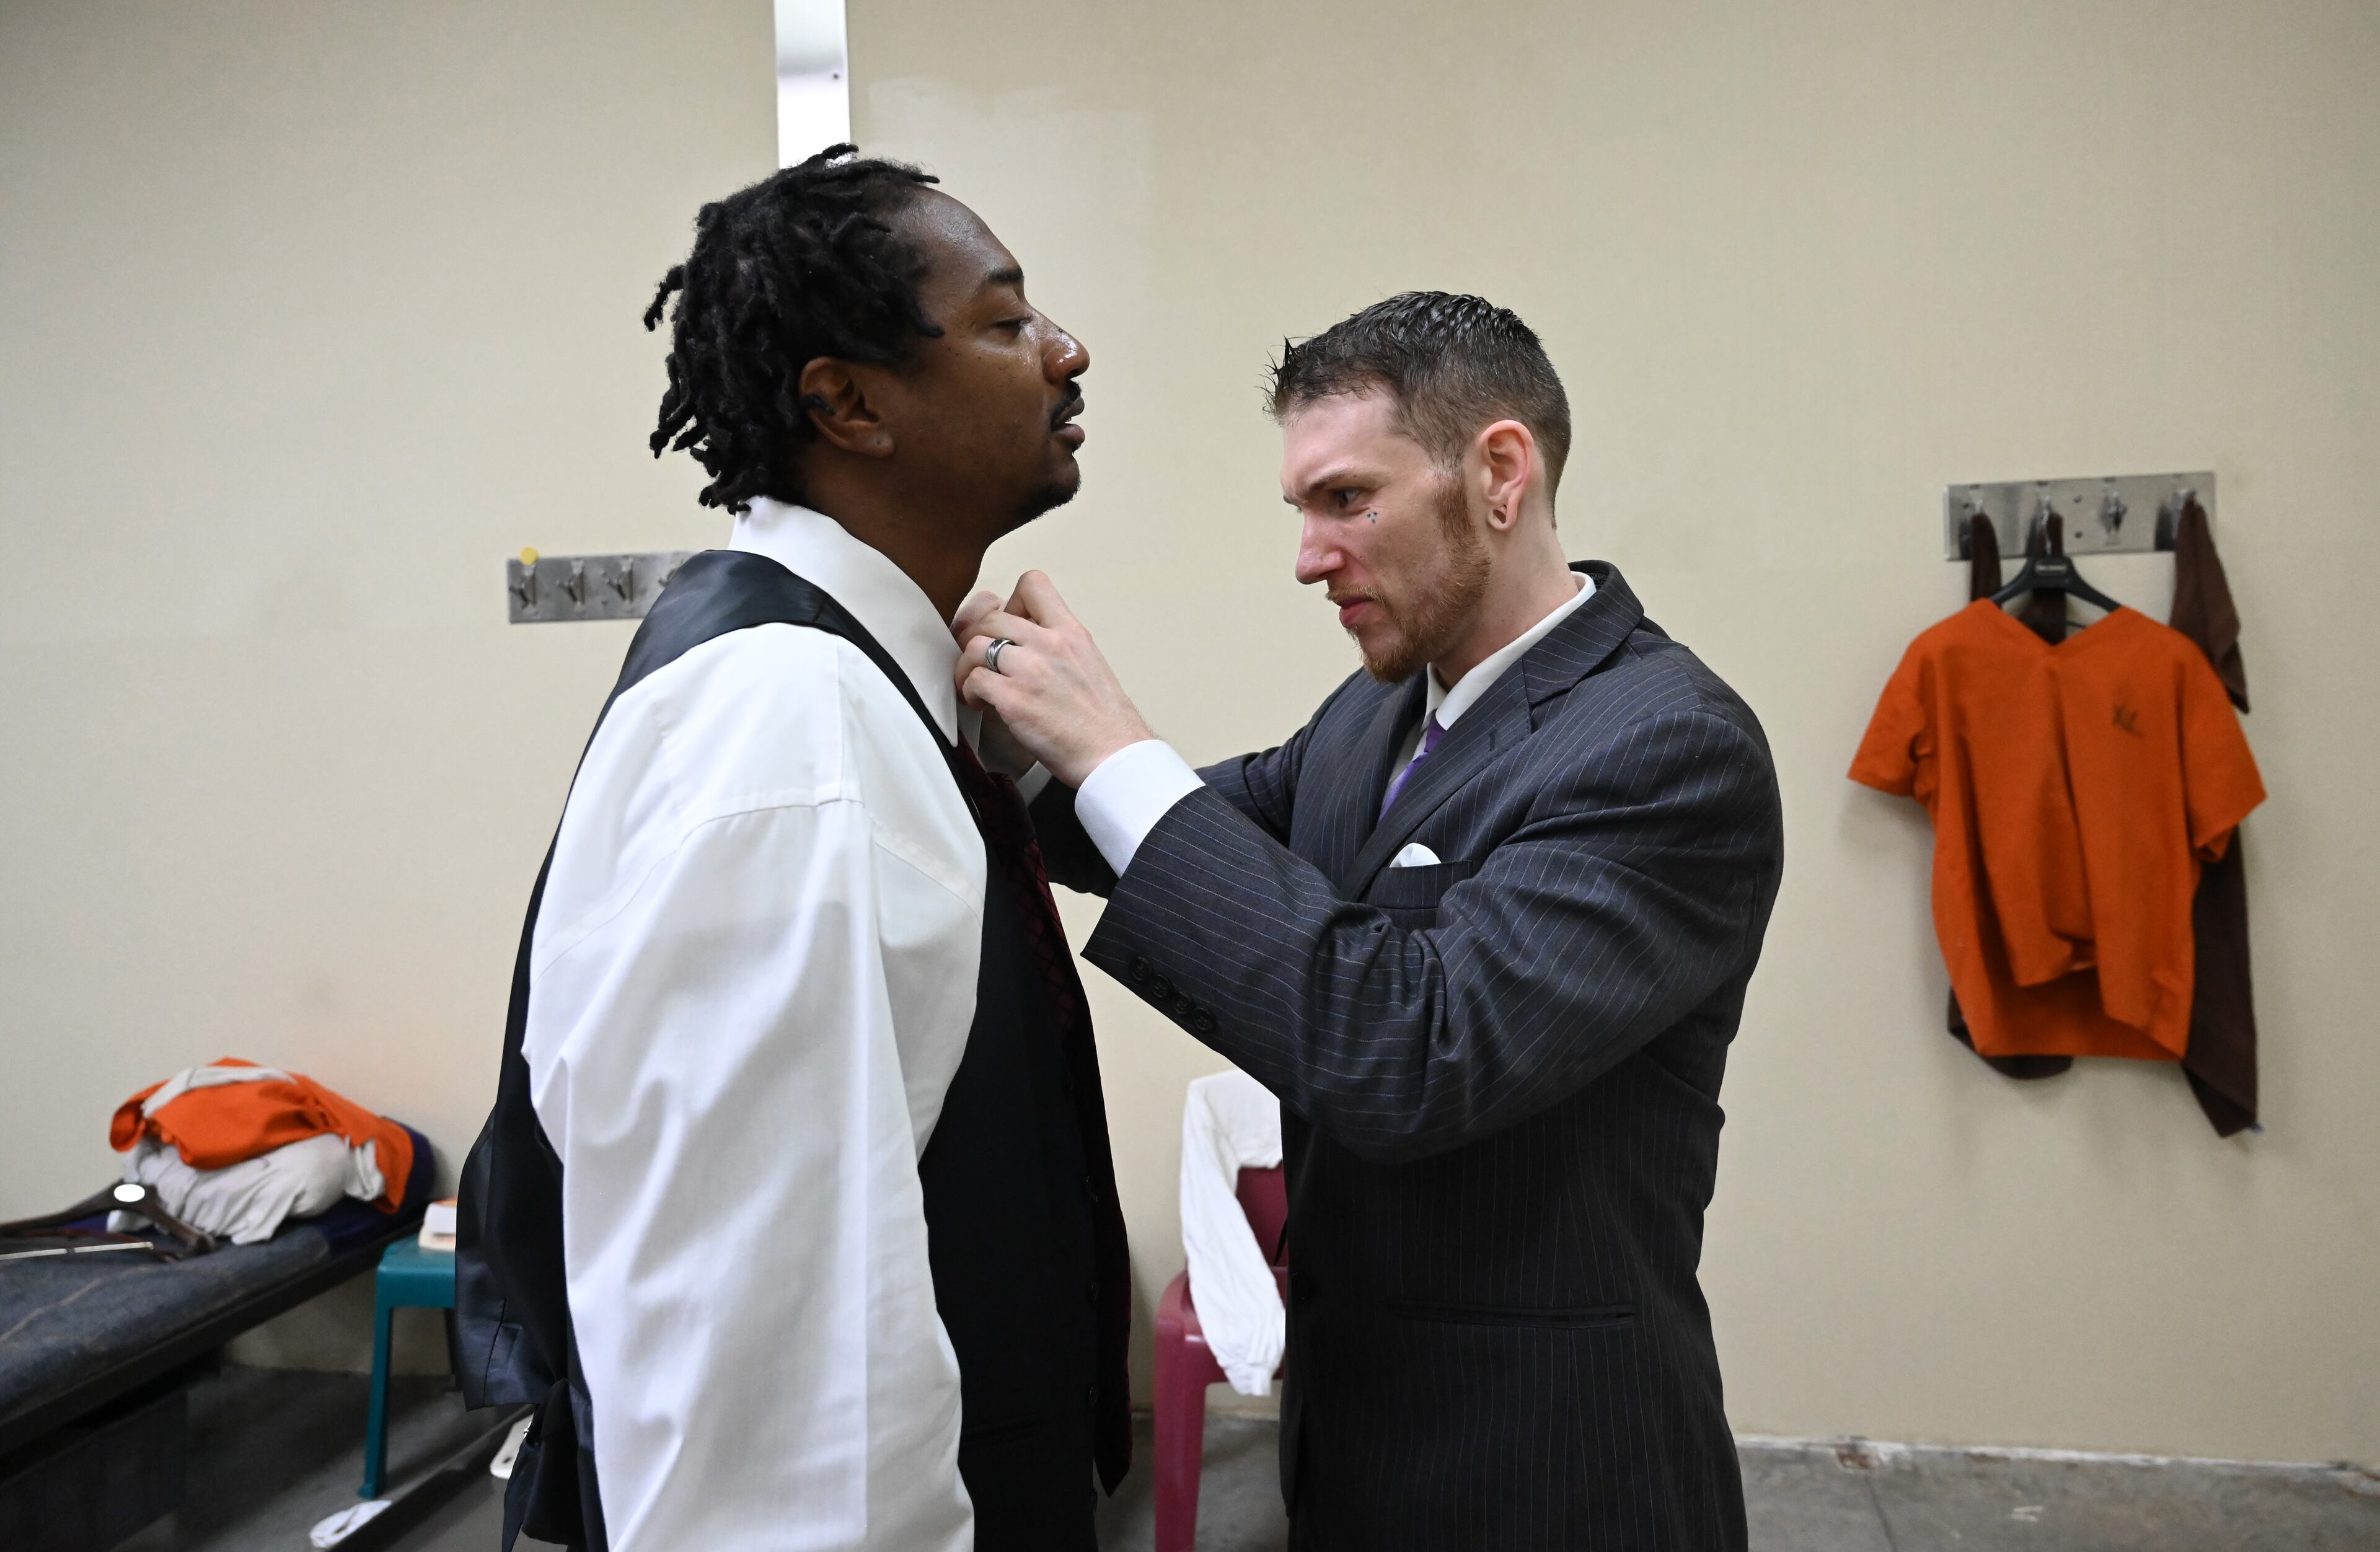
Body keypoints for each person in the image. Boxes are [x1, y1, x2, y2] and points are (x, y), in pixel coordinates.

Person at [959, 292, 1784, 1551]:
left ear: (1500, 474)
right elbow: (1179, 837)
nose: (1307, 553)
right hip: (1352, 1447)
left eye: (1346, 499)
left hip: (1551, 1471)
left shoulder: (1667, 746)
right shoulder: (1376, 714)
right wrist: (999, 730)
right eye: (1302, 508)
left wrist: (1111, 741)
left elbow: (1415, 1047)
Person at [454, 147, 1129, 1552]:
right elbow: (775, 1388)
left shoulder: (860, 682)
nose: (1067, 350)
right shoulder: (792, 723)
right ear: (849, 402)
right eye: (1006, 322)